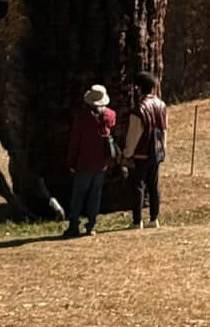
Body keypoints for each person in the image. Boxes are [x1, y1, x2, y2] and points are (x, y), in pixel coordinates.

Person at [65, 83, 116, 238]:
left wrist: (71, 162)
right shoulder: (110, 115)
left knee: (79, 195)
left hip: (83, 162)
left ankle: (73, 225)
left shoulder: (81, 118)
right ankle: (92, 225)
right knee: (95, 194)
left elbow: (75, 142)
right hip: (101, 163)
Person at [122, 69, 168, 229]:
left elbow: (134, 134)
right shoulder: (161, 105)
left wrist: (127, 153)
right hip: (156, 151)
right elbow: (164, 130)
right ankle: (154, 218)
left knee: (138, 186)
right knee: (154, 185)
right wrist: (163, 149)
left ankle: (137, 221)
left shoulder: (139, 109)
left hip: (141, 153)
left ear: (138, 88)